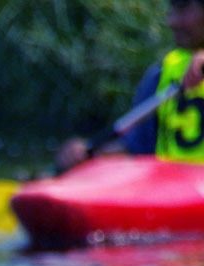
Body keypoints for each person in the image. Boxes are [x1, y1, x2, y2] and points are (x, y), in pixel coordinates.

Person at [57, 0, 204, 171]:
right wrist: (86, 155)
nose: (172, 22)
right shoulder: (161, 75)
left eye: (183, 9)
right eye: (173, 10)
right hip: (176, 191)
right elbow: (136, 148)